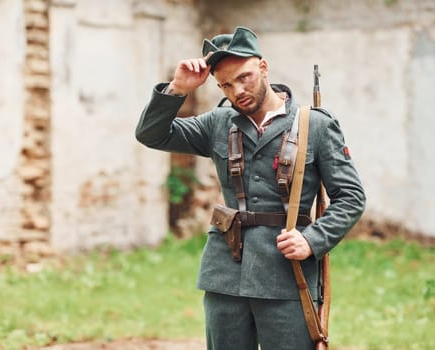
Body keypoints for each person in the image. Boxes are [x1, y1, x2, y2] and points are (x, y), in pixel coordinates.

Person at [136, 26, 365, 350]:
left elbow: (351, 197)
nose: (237, 90)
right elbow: (151, 134)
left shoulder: (314, 125)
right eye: (226, 84)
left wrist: (312, 240)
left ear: (263, 67)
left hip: (288, 275)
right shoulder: (218, 122)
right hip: (226, 274)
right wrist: (177, 88)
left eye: (244, 77)